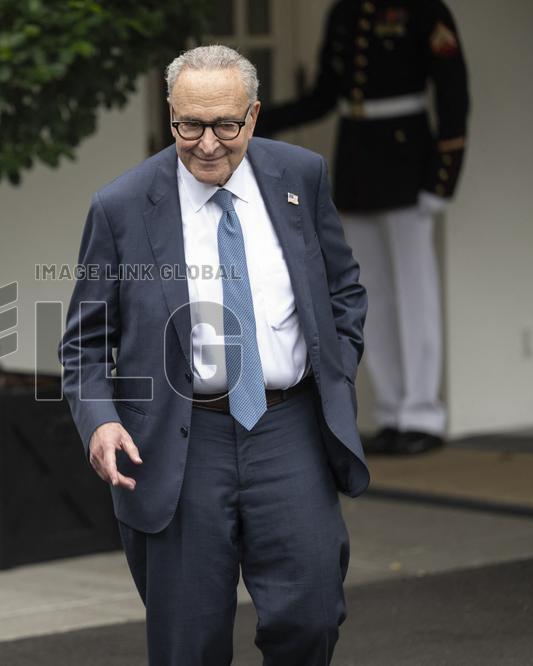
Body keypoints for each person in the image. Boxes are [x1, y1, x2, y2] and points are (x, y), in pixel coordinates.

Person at [60, 45, 368, 665]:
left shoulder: (300, 177)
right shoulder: (121, 207)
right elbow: (84, 343)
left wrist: (334, 370)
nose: (207, 143)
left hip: (289, 428)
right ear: (170, 114)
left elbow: (344, 290)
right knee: (187, 642)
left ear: (253, 116)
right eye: (188, 125)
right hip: (181, 439)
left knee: (310, 615)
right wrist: (101, 421)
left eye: (226, 125)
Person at [255, 0, 469, 455]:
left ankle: (424, 413)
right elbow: (326, 95)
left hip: (408, 160)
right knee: (370, 294)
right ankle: (393, 410)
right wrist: (259, 118)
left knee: (416, 293)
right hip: (357, 161)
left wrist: (442, 177)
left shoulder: (425, 10)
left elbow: (454, 96)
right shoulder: (345, 12)